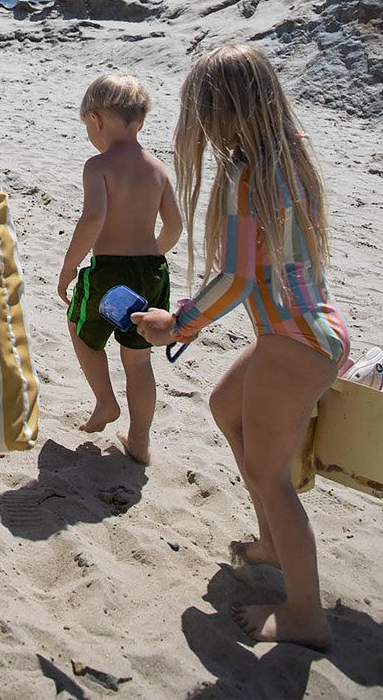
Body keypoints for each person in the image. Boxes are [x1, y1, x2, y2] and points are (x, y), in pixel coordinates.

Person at [133, 44, 350, 649]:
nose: (196, 126)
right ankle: (273, 544)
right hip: (309, 329)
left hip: (296, 339)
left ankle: (306, 613)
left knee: (268, 472)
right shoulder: (288, 150)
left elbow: (236, 277)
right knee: (227, 407)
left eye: (201, 113)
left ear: (222, 113)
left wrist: (179, 322)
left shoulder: (248, 172)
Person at [58, 74, 182, 464]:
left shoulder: (98, 166)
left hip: (109, 271)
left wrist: (69, 265)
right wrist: (149, 254)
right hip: (153, 272)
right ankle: (140, 441)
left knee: (79, 327)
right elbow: (175, 226)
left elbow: (93, 219)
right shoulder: (159, 170)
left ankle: (105, 401)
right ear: (139, 122)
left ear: (95, 120)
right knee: (139, 360)